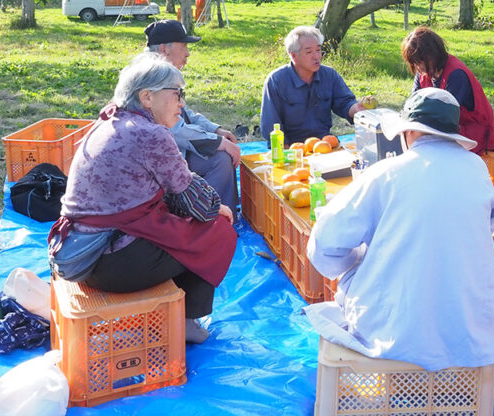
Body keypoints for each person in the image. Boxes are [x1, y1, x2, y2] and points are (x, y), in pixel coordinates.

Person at [305, 88, 494, 370]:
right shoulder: (476, 168)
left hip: (394, 338)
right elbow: (484, 229)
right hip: (475, 336)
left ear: (410, 133)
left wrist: (356, 264)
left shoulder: (386, 174)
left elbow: (325, 244)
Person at [48, 55, 237, 343]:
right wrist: (218, 208)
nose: (182, 104)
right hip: (113, 264)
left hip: (78, 255)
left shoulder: (107, 121)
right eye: (177, 94)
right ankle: (188, 321)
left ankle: (178, 312)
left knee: (184, 219)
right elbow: (196, 201)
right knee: (218, 227)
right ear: (147, 97)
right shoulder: (150, 134)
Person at [144, 20, 241, 214]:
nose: (188, 53)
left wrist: (215, 130)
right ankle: (207, 218)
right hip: (160, 164)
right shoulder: (151, 77)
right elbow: (176, 129)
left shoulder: (166, 76)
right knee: (222, 157)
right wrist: (218, 142)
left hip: (176, 152)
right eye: (184, 46)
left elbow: (186, 114)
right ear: (164, 49)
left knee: (221, 157)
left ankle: (221, 220)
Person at [260, 26, 373, 145]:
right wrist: (289, 153)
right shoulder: (276, 80)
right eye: (309, 52)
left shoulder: (329, 75)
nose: (317, 56)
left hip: (323, 142)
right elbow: (270, 124)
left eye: (318, 50)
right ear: (294, 56)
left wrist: (355, 109)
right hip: (291, 145)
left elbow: (344, 102)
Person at [400, 26, 494, 154]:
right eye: (414, 63)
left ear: (432, 55)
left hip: (472, 132)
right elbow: (412, 106)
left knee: (424, 140)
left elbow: (445, 118)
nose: (417, 67)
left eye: (419, 62)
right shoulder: (424, 72)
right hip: (445, 128)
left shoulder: (456, 74)